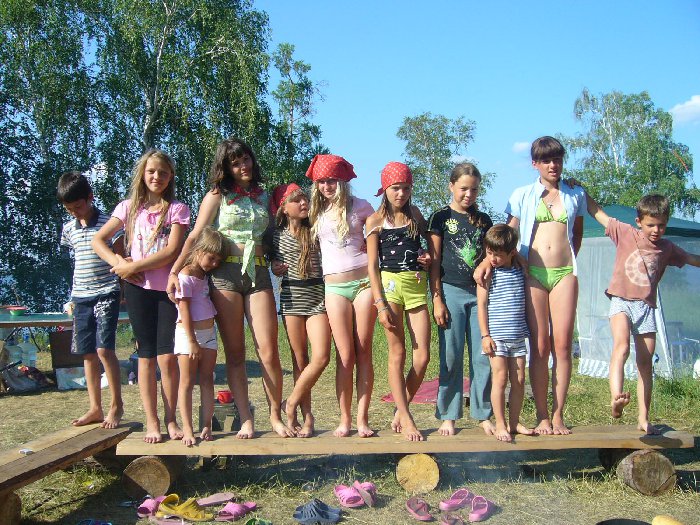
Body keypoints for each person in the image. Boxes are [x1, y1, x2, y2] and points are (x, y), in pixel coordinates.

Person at [167, 137, 292, 439]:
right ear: (226, 168)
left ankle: (276, 416)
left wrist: (277, 259)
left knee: (269, 351)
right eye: (235, 163)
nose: (242, 166)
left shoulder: (264, 195)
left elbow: (273, 235)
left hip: (258, 273)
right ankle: (246, 418)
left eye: (245, 159)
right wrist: (174, 271)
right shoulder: (217, 195)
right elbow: (195, 234)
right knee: (235, 354)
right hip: (225, 276)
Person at [477, 136, 586, 435]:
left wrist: (568, 258)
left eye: (557, 159)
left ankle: (558, 414)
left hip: (564, 272)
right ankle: (542, 415)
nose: (553, 165)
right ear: (535, 163)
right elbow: (505, 236)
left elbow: (577, 234)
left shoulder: (575, 193)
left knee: (562, 345)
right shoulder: (522, 194)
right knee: (539, 346)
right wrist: (486, 261)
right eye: (546, 160)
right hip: (533, 273)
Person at [93, 149, 190, 443]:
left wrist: (134, 266)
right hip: (137, 291)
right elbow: (98, 240)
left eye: (163, 172)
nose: (157, 177)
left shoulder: (177, 209)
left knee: (167, 358)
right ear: (142, 174)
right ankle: (152, 421)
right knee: (145, 357)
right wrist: (119, 265)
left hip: (167, 292)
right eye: (151, 171)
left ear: (170, 177)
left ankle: (171, 419)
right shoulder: (127, 208)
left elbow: (171, 251)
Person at [585, 193, 700, 434]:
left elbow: (691, 258)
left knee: (645, 364)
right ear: (639, 221)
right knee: (621, 347)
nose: (656, 230)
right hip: (621, 301)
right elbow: (598, 213)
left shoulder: (667, 248)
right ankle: (616, 398)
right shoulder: (626, 233)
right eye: (651, 225)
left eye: (661, 225)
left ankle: (643, 418)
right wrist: (580, 190)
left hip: (646, 308)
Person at [307, 154, 376, 437]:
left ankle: (362, 419)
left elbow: (383, 235)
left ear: (343, 181)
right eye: (322, 181)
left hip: (364, 284)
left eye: (332, 181)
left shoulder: (361, 206)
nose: (327, 186)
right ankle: (344, 419)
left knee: (363, 350)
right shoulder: (314, 210)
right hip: (334, 288)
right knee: (345, 355)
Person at [428, 162, 494, 436]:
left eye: (474, 190)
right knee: (451, 356)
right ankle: (448, 415)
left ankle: (483, 414)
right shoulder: (440, 218)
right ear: (451, 186)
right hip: (450, 291)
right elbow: (434, 262)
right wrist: (437, 299)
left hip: (480, 294)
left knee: (483, 356)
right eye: (464, 188)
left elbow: (492, 255)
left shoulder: (484, 220)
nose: (469, 194)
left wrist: (487, 264)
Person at [366, 162, 431, 442]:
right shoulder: (375, 221)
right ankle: (406, 416)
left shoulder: (416, 215)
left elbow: (426, 247)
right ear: (385, 189)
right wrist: (380, 304)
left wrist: (427, 256)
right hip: (390, 287)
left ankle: (400, 409)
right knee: (398, 353)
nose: (401, 193)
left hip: (416, 287)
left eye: (405, 188)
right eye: (395, 188)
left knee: (423, 356)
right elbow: (372, 266)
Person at [58, 171, 124, 429]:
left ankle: (116, 405)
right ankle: (95, 407)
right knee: (87, 353)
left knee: (104, 350)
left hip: (107, 291)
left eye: (78, 206)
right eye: (69, 209)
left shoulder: (109, 224)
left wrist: (124, 292)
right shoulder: (69, 229)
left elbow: (121, 258)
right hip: (80, 295)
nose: (75, 213)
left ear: (90, 198)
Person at [267, 183, 331, 437]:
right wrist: (274, 266)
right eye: (297, 200)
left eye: (305, 199)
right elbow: (270, 261)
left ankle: (291, 402)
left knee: (321, 357)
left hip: (317, 297)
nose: (304, 203)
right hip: (292, 299)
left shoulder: (316, 229)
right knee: (300, 360)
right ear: (284, 208)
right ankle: (307, 417)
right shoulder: (275, 236)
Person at [476, 224, 534, 442]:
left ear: (512, 253)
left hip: (517, 335)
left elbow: (524, 263)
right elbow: (482, 305)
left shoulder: (520, 270)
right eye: (489, 253)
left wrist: (520, 259)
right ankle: (500, 423)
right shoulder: (488, 274)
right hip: (497, 337)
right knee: (500, 379)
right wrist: (485, 335)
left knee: (519, 379)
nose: (492, 258)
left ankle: (514, 422)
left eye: (498, 255)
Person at [173, 227, 226, 446]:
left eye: (217, 261)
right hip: (189, 335)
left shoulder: (205, 276)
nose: (214, 264)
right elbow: (184, 309)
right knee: (186, 381)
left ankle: (206, 425)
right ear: (198, 251)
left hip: (208, 334)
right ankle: (187, 428)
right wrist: (192, 341)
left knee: (207, 379)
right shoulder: (185, 276)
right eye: (211, 258)